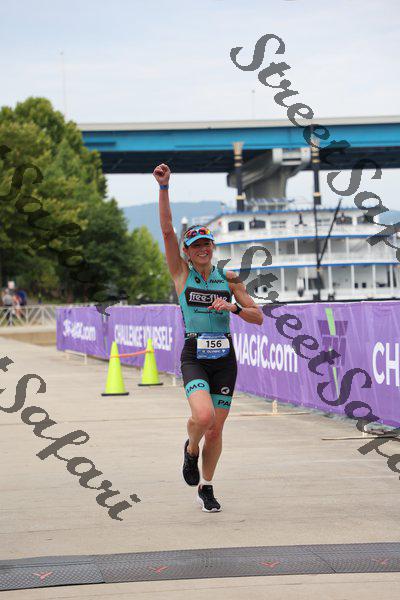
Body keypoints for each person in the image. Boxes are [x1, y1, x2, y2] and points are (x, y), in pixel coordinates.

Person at [153, 163, 263, 512]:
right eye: (195, 245)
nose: (202, 249)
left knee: (216, 430)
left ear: (213, 247)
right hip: (195, 354)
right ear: (186, 252)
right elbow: (167, 232)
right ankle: (190, 450)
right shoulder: (181, 274)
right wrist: (164, 188)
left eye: (206, 244)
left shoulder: (229, 279)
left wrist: (233, 308)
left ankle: (207, 486)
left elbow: (258, 317)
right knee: (203, 418)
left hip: (225, 358)